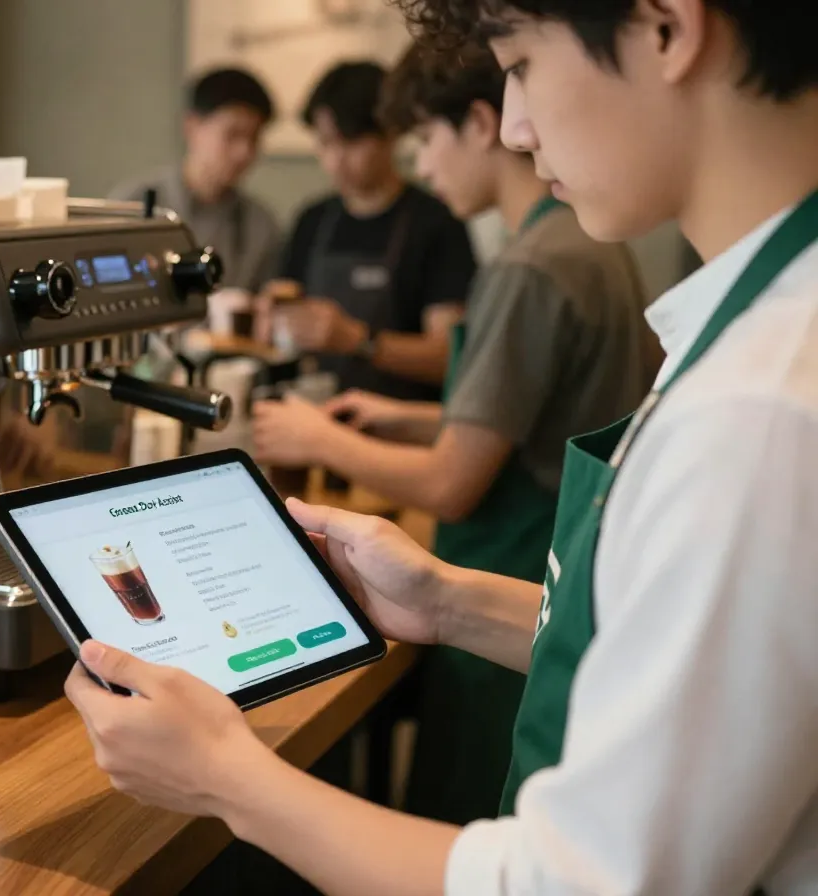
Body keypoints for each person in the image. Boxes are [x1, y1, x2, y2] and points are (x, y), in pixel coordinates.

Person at [65, 0, 818, 892]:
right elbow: (699, 667)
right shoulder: (754, 332)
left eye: (522, 64)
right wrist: (450, 602)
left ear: (665, 28)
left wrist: (229, 779)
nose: (513, 124)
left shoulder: (761, 410)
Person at [253, 39, 657, 825]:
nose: (425, 169)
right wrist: (398, 417)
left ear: (479, 124)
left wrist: (317, 438)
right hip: (543, 587)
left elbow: (453, 481)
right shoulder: (584, 242)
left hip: (511, 594)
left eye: (425, 142)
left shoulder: (529, 266)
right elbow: (531, 420)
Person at [269, 61, 477, 398]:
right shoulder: (312, 220)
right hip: (316, 412)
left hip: (401, 427)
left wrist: (357, 340)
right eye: (324, 144)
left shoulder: (437, 223)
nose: (335, 160)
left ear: (390, 134)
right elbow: (282, 305)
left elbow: (449, 358)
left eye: (350, 143)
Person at [110, 68, 282, 295]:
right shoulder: (131, 205)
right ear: (192, 127)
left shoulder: (260, 225)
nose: (244, 152)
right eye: (233, 135)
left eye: (254, 138)